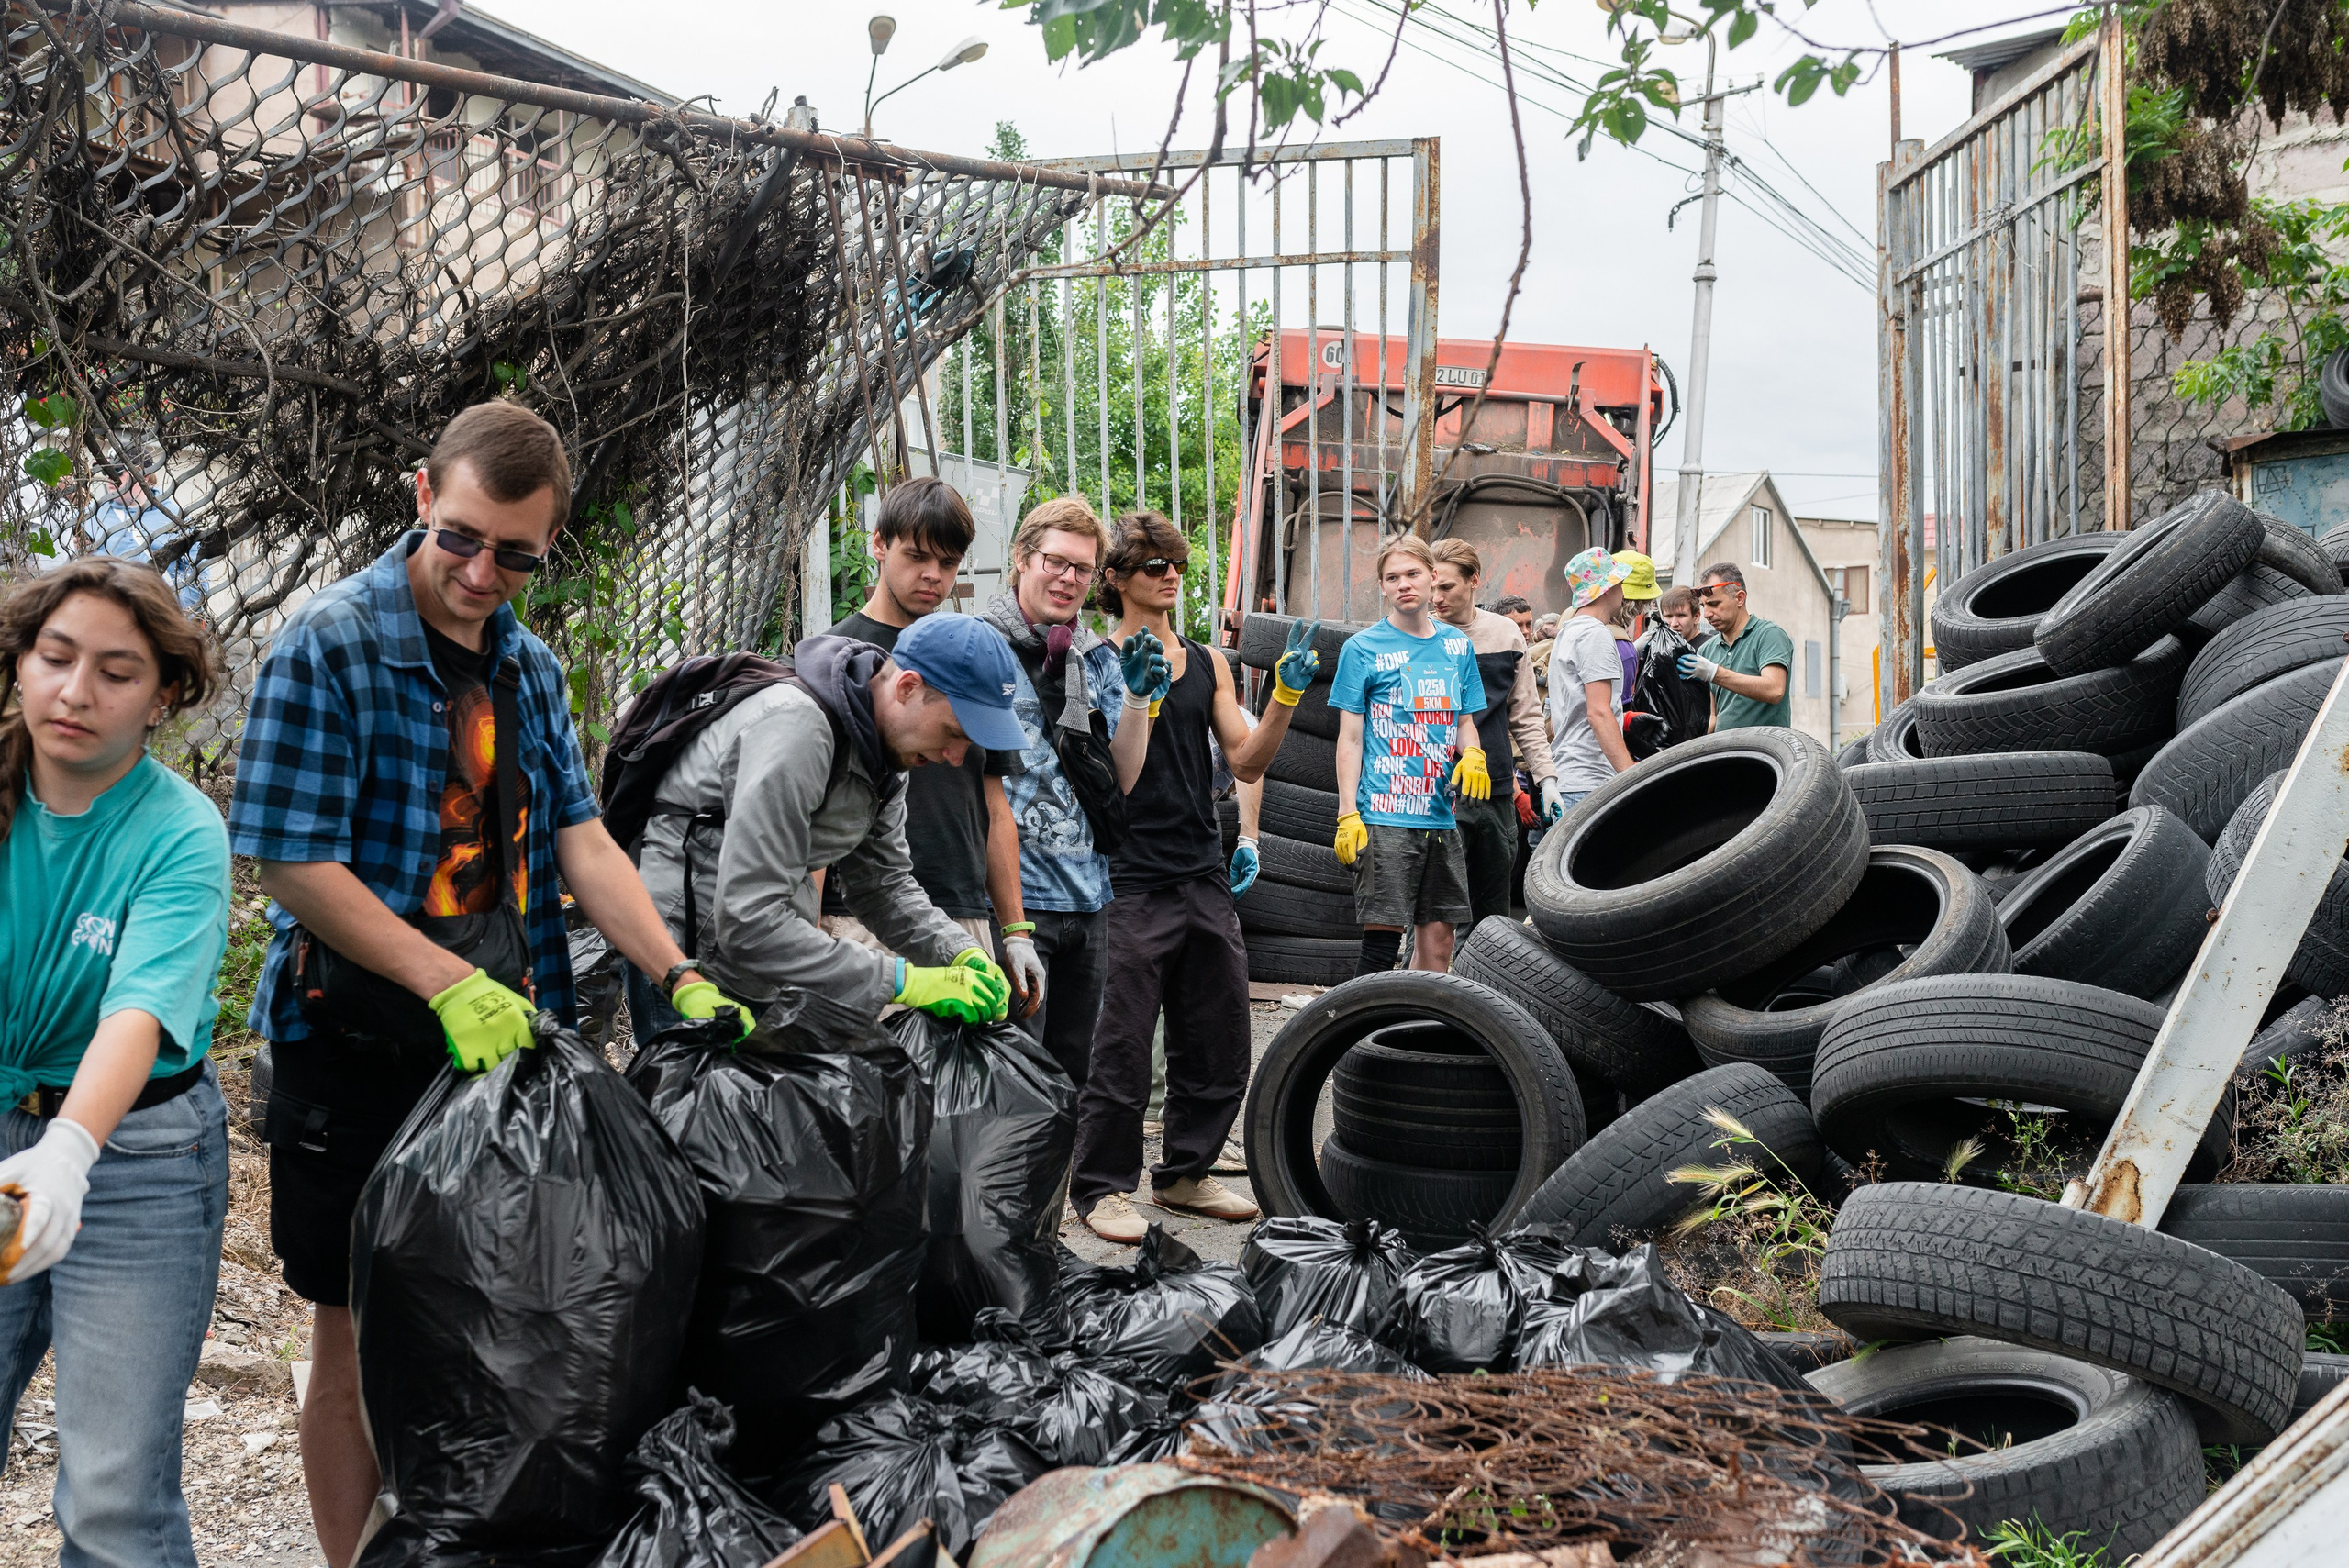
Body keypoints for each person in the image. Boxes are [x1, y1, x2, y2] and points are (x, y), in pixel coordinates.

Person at [228, 401, 752, 1566]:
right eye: (461, 536)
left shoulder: (528, 665)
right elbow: (290, 859)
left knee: (504, 1314)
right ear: (423, 494)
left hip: (505, 1055)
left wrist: (676, 970)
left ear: (548, 544)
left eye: (515, 555)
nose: (480, 573)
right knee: (351, 1335)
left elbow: (581, 839)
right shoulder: (330, 642)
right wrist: (441, 981)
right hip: (355, 1049)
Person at [0, 559, 230, 1568]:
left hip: (137, 1158)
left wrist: (68, 1150)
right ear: (20, 661)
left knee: (111, 1497)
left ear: (164, 695)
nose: (76, 690)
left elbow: (137, 1011)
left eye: (116, 671)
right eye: (55, 657)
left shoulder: (180, 832)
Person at [1073, 512, 1319, 1244]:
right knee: (1120, 1044)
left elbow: (1245, 760)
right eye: (1154, 564)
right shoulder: (1092, 663)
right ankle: (1102, 1185)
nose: (1171, 574)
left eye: (1176, 562)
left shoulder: (1209, 661)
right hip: (1126, 876)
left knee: (1218, 1035)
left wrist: (1284, 699)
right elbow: (1109, 776)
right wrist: (1136, 698)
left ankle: (1184, 1172)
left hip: (1200, 870)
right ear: (1116, 579)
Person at [632, 613, 1019, 1044]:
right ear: (907, 688)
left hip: (758, 967)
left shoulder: (888, 756)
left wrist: (959, 952)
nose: (956, 757)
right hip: (685, 965)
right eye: (953, 732)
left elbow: (882, 885)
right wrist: (904, 981)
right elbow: (748, 919)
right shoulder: (798, 728)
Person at [824, 476, 1042, 1013]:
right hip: (859, 917)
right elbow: (807, 817)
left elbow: (994, 805)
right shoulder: (833, 663)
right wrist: (805, 939)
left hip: (958, 915)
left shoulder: (974, 658)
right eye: (917, 556)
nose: (932, 576)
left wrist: (1015, 930)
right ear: (879, 544)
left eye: (948, 563)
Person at [979, 496, 1155, 1089]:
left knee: (1069, 1083)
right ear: (1022, 559)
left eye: (1082, 568)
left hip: (1088, 899)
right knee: (1012, 1080)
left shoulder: (1096, 657)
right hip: (1012, 902)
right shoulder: (981, 646)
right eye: (1055, 561)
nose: (1068, 578)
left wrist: (1137, 699)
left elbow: (1120, 780)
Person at [1330, 535, 1486, 976]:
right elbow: (1350, 739)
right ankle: (1362, 1023)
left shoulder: (1458, 646)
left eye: (1413, 574)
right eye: (1392, 577)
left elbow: (1464, 722)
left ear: (1433, 576)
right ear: (1382, 586)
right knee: (1381, 946)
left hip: (1440, 815)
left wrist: (1473, 754)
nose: (1404, 584)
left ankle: (1414, 1022)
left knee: (1439, 946)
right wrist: (1347, 812)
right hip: (1384, 815)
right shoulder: (1362, 648)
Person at [1430, 539, 1562, 926]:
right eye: (1431, 587)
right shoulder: (1419, 634)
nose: (1436, 598)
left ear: (1474, 580)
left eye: (1446, 587)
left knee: (1492, 918)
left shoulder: (1505, 634)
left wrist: (1547, 779)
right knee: (1434, 916)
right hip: (1436, 790)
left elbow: (1526, 714)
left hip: (1496, 788)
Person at [1546, 549, 1638, 813]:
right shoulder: (1595, 635)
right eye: (1620, 583)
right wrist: (1632, 777)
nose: (1622, 592)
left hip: (1569, 777)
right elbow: (1598, 713)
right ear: (1608, 587)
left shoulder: (1568, 632)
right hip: (1590, 780)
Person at [1679, 562, 1794, 729]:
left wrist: (1715, 673)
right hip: (1723, 745)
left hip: (1764, 745)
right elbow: (1713, 716)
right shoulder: (1706, 650)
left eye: (1714, 604)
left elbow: (1774, 690)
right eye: (1704, 606)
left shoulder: (1769, 635)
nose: (1707, 614)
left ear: (1739, 598)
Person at [1631, 584, 1714, 751]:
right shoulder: (1657, 649)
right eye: (1668, 616)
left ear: (1696, 617)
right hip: (1660, 742)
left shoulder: (1708, 648)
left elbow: (1713, 711)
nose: (1674, 623)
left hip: (1696, 745)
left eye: (1681, 615)